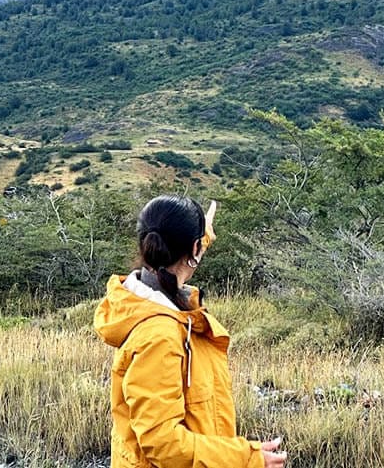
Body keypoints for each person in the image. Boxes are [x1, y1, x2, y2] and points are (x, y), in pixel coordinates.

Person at [94, 194, 287, 468]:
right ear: (193, 249)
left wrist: (201, 237)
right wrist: (244, 459)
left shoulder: (143, 298)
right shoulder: (159, 335)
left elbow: (184, 252)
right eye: (199, 244)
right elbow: (163, 444)